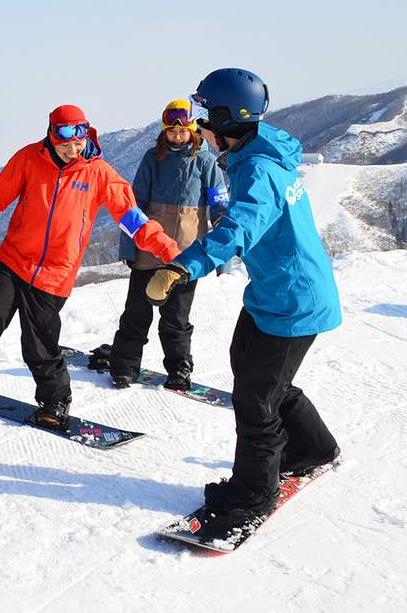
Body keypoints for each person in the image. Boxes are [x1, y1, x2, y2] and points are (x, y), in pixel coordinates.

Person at [146, 69, 341, 539]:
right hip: (273, 293)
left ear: (223, 118)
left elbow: (239, 230)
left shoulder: (257, 170)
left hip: (294, 300)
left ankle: (254, 491)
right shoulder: (255, 151)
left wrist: (181, 267)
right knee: (253, 374)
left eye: (202, 115)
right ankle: (313, 447)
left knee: (257, 399)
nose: (198, 127)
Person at [0, 105, 180, 427]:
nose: (72, 150)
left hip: (56, 272)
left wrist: (169, 250)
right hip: (14, 259)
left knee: (39, 344)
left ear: (86, 135)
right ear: (51, 136)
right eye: (64, 143)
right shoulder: (28, 159)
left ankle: (55, 400)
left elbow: (132, 219)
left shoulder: (99, 173)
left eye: (77, 143)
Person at [107, 99, 229, 390]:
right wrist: (129, 247)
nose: (177, 136)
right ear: (164, 131)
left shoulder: (206, 161)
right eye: (171, 131)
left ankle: (179, 369)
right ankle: (124, 366)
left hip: (186, 254)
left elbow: (219, 205)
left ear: (193, 130)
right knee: (136, 311)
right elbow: (133, 207)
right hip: (148, 249)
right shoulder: (153, 158)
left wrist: (221, 255)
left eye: (182, 131)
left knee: (176, 317)